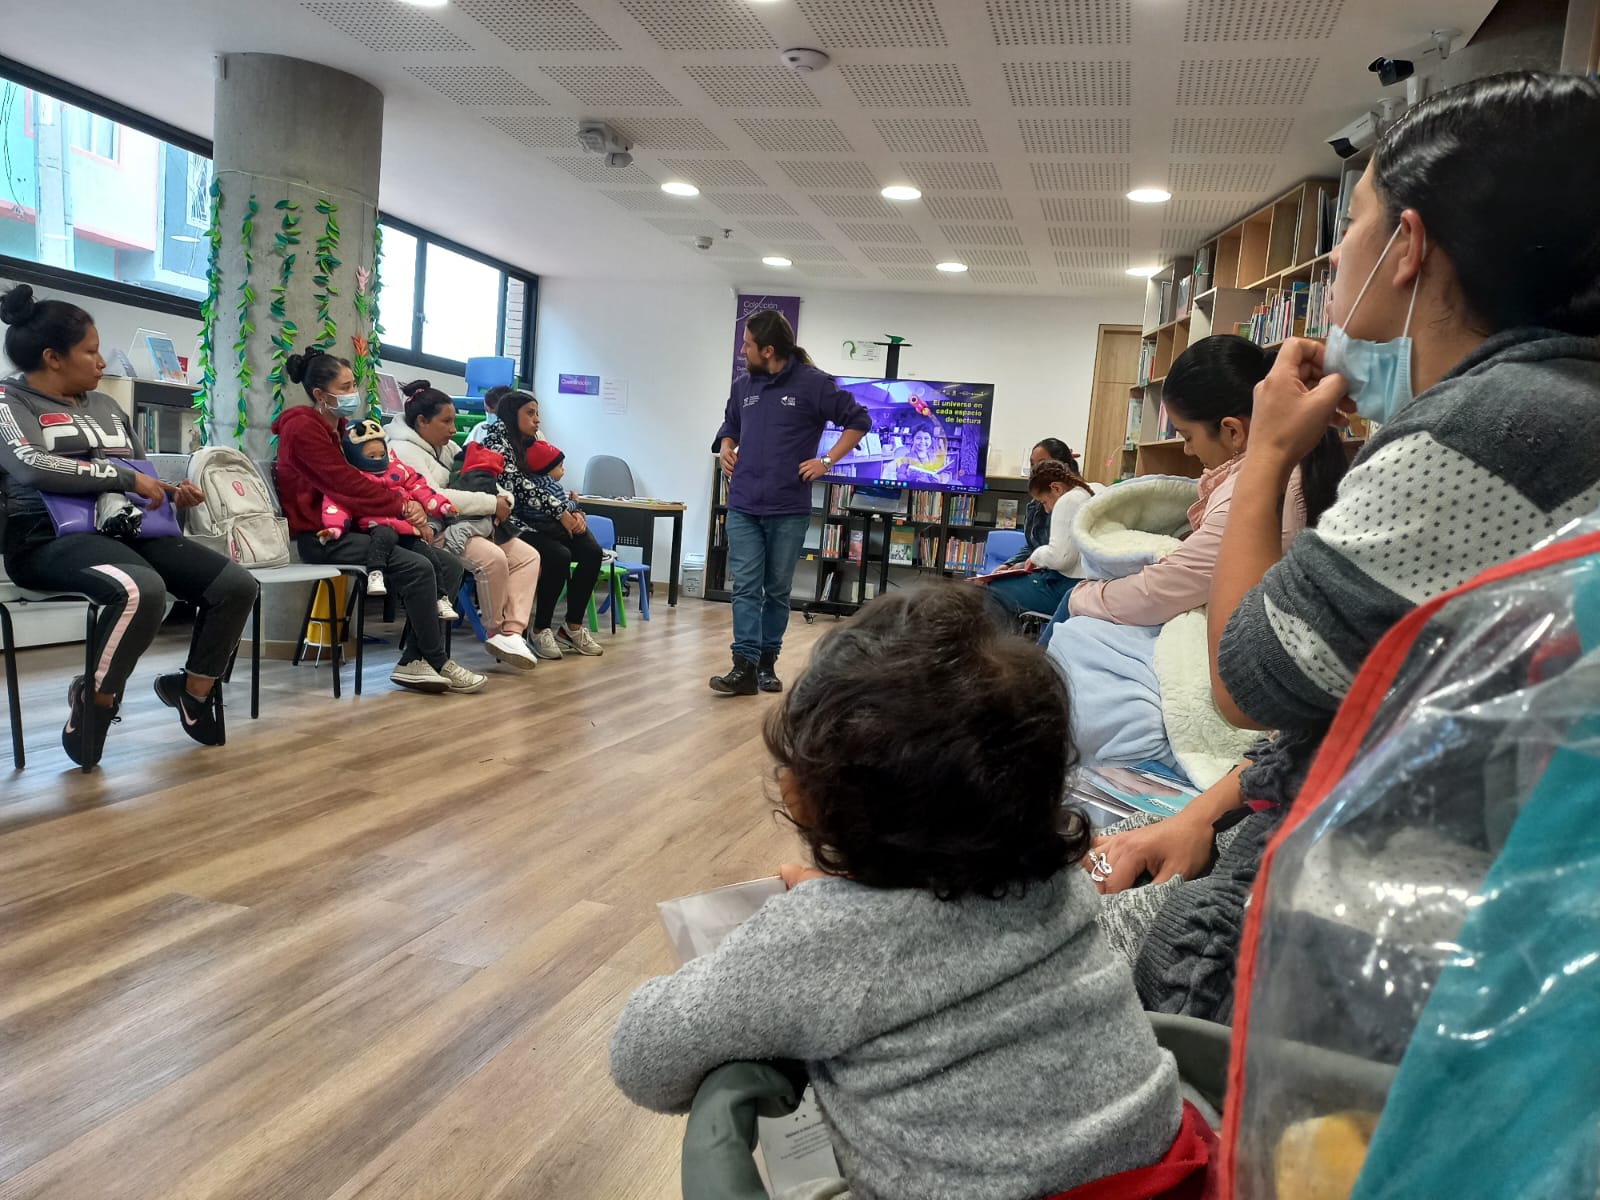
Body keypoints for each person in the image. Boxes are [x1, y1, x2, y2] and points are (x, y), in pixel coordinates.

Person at [1090, 71, 1600, 1020]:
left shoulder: (1485, 431)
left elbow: (1248, 685)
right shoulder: (1559, 404)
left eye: (1349, 227)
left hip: (1335, 929)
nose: (1334, 262)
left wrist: (1272, 453)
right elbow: (1374, 692)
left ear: (1406, 247)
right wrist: (1203, 810)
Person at [610, 584, 1197, 1199]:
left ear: (800, 798)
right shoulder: (1058, 885)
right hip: (1171, 1178)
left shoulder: (816, 941)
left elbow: (642, 1059)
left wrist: (824, 913)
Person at [0, 285, 257, 766]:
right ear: (53, 357)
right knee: (142, 590)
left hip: (127, 531)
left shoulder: (106, 406)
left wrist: (173, 490)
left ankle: (193, 690)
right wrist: (125, 476)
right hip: (45, 540)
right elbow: (32, 465)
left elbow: (142, 473)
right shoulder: (7, 403)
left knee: (236, 585)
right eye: (91, 351)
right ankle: (96, 700)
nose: (101, 363)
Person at [1059, 336, 1346, 629]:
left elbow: (1160, 592)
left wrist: (1082, 595)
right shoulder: (1299, 467)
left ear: (1233, 432)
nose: (1188, 450)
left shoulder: (1253, 490)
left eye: (1188, 437)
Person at [274, 348, 486, 695]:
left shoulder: (341, 428)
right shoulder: (302, 428)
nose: (352, 392)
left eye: (353, 383)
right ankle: (436, 660)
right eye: (344, 387)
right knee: (419, 568)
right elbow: (346, 485)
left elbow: (379, 477)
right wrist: (402, 506)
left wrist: (412, 505)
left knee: (447, 564)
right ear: (319, 395)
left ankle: (413, 662)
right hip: (325, 534)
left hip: (365, 526)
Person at [710, 310, 871, 695]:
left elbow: (858, 420)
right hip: (744, 502)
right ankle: (743, 665)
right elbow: (730, 425)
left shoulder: (814, 384)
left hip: (788, 506)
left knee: (777, 589)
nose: (742, 350)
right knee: (746, 585)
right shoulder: (743, 386)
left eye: (747, 344)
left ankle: (767, 663)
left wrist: (827, 460)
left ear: (768, 350)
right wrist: (727, 448)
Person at [385, 382, 540, 671]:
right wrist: (493, 504)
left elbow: (487, 478)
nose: (453, 429)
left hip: (466, 524)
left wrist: (503, 498)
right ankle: (495, 631)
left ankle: (513, 632)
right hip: (433, 531)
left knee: (528, 556)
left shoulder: (446, 448)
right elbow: (435, 497)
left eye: (454, 420)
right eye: (446, 421)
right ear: (421, 421)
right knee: (492, 559)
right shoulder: (403, 450)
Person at [479, 390, 606, 658]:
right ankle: (540, 629)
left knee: (592, 552)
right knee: (558, 556)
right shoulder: (496, 441)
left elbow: (552, 481)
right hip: (514, 522)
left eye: (538, 413)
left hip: (547, 516)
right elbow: (521, 488)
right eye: (530, 413)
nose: (537, 420)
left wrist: (575, 512)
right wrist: (562, 513)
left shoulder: (532, 439)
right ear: (512, 414)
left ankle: (571, 628)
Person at [321, 417, 464, 620]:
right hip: (374, 525)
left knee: (429, 555)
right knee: (384, 536)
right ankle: (375, 573)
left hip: (405, 528)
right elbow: (336, 506)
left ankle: (441, 598)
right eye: (371, 455)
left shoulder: (398, 470)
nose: (378, 458)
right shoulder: (351, 477)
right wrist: (334, 529)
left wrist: (443, 507)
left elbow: (422, 489)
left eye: (381, 454)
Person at [983, 459, 1101, 623]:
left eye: (1044, 502)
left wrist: (1035, 557)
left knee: (995, 589)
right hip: (1087, 585)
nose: (1046, 509)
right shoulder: (1087, 492)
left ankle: (997, 646)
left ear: (1056, 488)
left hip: (1068, 587)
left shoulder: (1067, 501)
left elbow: (1060, 559)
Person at [1004, 437, 1081, 569]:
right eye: (1032, 464)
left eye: (1042, 463)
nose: (1035, 470)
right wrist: (1009, 565)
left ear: (1063, 467)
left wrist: (1022, 566)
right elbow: (1032, 546)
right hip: (1040, 570)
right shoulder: (1036, 504)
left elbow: (1060, 558)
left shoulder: (1071, 502)